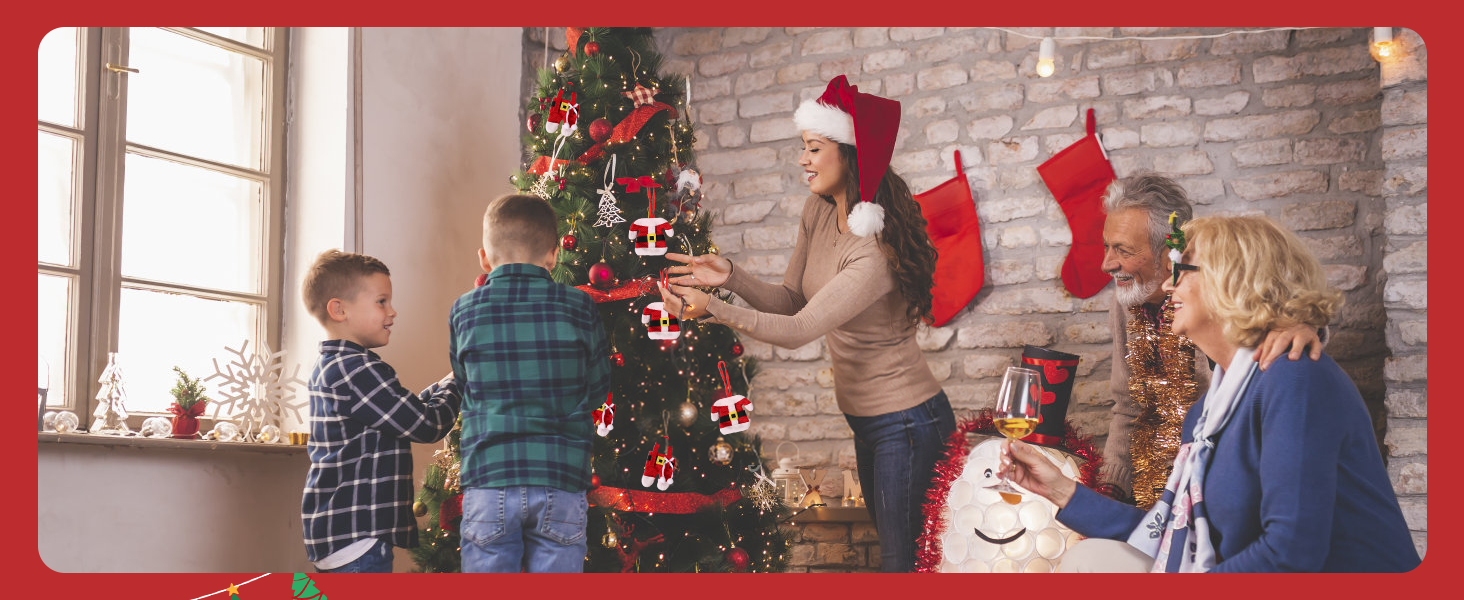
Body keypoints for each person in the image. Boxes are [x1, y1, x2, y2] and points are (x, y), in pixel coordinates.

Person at [1003, 215, 1419, 572]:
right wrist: (1060, 489)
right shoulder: (1212, 408)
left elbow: (1291, 554)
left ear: (1232, 281)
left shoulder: (1293, 378)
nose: (1168, 286)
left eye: (1182, 272)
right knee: (1089, 559)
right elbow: (1170, 531)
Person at [656, 75, 952, 572]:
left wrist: (714, 309)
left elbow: (799, 330)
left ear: (850, 153)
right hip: (870, 421)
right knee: (896, 556)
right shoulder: (818, 212)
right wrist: (731, 275)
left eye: (814, 148)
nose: (802, 160)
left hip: (906, 423)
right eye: (803, 148)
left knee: (902, 564)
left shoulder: (872, 249)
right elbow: (792, 301)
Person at [1098, 174, 1324, 506]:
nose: (1106, 264)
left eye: (1123, 250)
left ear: (1169, 253)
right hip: (1158, 488)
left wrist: (1303, 328)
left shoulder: (1212, 295)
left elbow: (1279, 324)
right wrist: (1110, 487)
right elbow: (1128, 407)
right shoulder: (1126, 302)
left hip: (1222, 484)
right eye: (1106, 246)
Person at [451, 194, 611, 573]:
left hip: (489, 477)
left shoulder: (464, 309)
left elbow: (464, 385)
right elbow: (597, 389)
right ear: (553, 255)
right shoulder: (580, 306)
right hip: (560, 476)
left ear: (484, 258)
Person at [299, 250, 461, 573]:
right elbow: (425, 425)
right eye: (381, 301)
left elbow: (402, 410)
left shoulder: (337, 365)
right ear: (339, 309)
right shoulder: (355, 369)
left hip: (344, 537)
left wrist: (448, 380)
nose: (393, 311)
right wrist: (462, 382)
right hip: (357, 542)